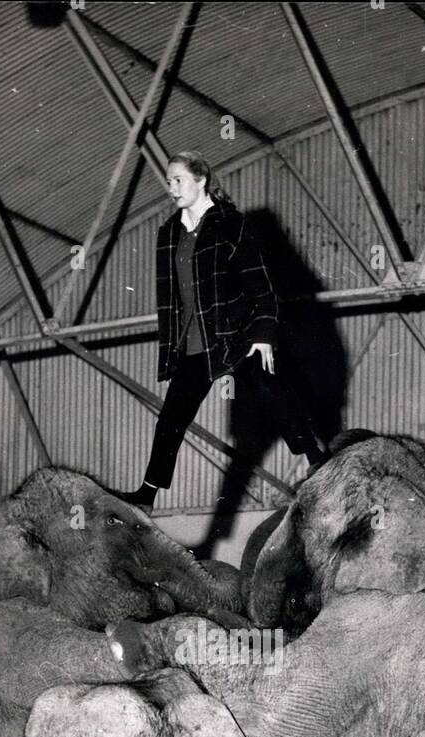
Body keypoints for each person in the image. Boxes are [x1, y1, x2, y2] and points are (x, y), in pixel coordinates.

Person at [112, 151, 327, 511]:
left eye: (178, 180)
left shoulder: (231, 224)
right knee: (171, 418)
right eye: (168, 181)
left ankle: (316, 459)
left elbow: (262, 285)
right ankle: (147, 494)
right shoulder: (169, 233)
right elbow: (172, 298)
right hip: (195, 343)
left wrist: (263, 335)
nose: (172, 188)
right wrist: (171, 350)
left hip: (236, 334)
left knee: (273, 388)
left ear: (201, 181)